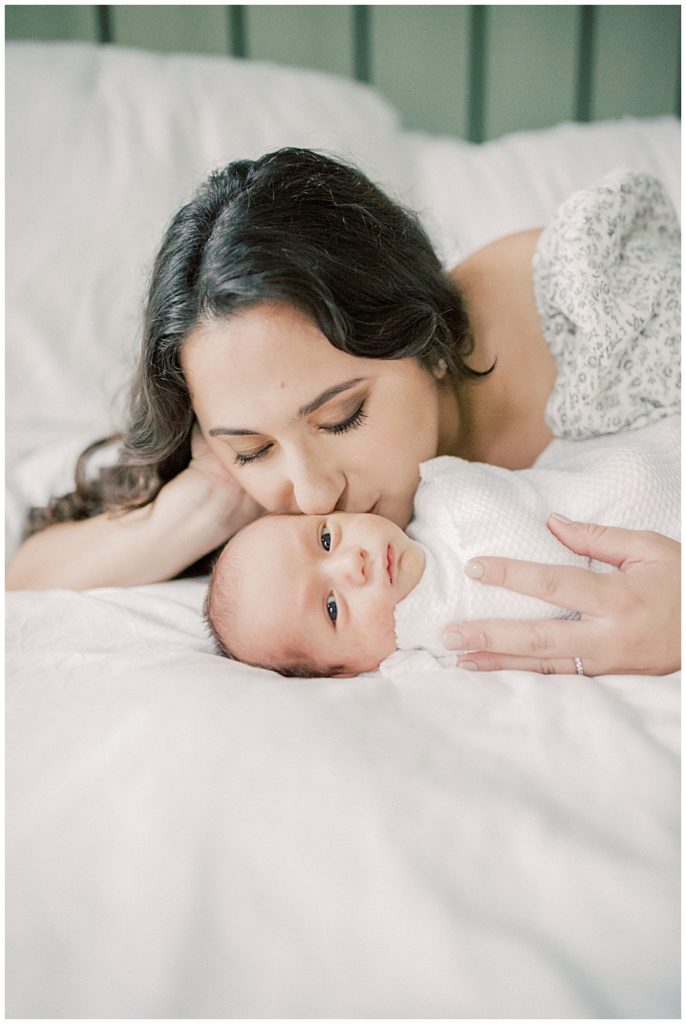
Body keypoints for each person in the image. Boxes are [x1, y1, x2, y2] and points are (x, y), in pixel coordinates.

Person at [6, 150, 680, 677]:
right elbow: (28, 582)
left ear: (429, 338)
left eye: (343, 417)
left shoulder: (597, 303)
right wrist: (210, 499)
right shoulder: (264, 478)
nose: (314, 494)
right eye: (252, 448)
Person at [204, 417, 680, 678]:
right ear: (346, 672)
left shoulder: (437, 491)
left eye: (326, 538)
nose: (354, 562)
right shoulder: (431, 656)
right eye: (331, 607)